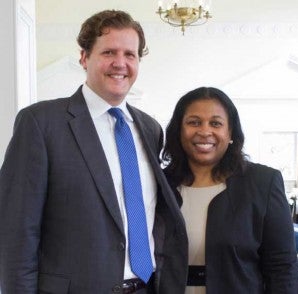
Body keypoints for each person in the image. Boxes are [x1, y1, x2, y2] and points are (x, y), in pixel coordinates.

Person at [0, 10, 188, 294]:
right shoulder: (40, 123)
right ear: (84, 57)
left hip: (148, 288)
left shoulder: (150, 129)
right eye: (109, 52)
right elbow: (16, 232)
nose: (120, 63)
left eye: (130, 54)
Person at [162, 86, 298, 293]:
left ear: (231, 133)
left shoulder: (263, 182)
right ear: (179, 131)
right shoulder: (160, 184)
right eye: (194, 122)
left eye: (216, 123)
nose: (205, 131)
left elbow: (282, 267)